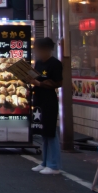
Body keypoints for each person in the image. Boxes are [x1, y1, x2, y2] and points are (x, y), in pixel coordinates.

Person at [29, 37, 63, 175]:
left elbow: (58, 82)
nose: (38, 53)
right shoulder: (38, 63)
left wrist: (39, 84)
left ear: (47, 49)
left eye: (40, 50)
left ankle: (54, 165)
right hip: (38, 99)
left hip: (49, 100)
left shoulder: (55, 64)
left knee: (50, 131)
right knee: (42, 131)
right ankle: (44, 162)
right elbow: (34, 78)